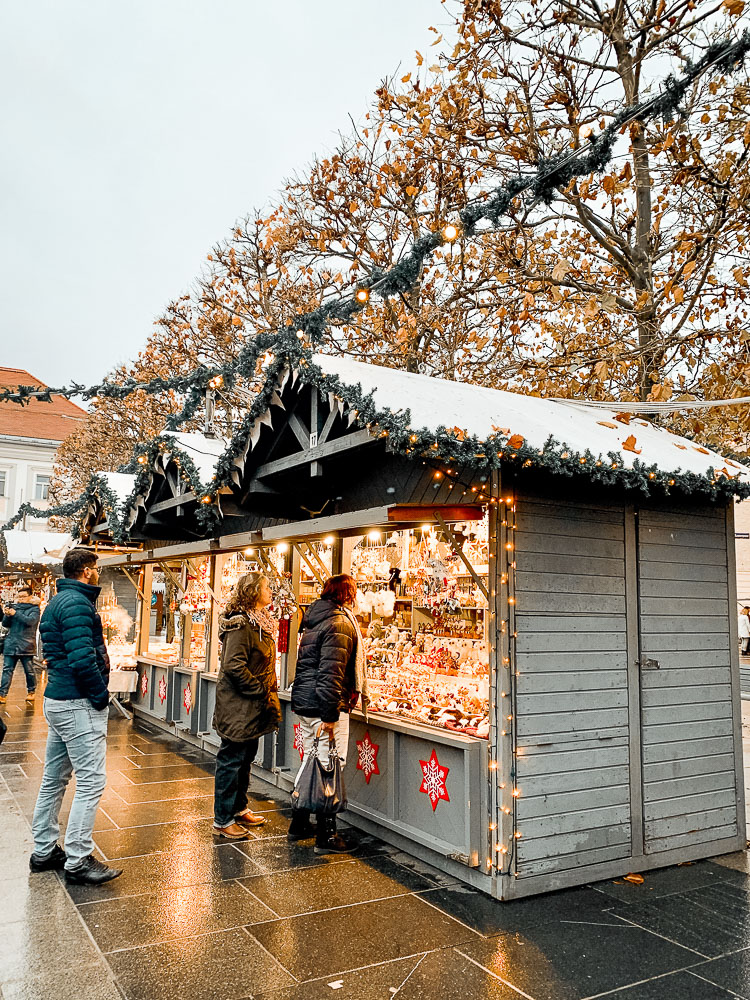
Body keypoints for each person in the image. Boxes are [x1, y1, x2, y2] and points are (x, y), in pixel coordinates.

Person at [30, 548, 122, 885]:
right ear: (86, 571)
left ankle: (43, 850)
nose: (98, 573)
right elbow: (84, 659)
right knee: (92, 781)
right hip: (77, 702)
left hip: (58, 698)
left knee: (54, 779)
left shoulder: (57, 601)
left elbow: (49, 651)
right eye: (96, 568)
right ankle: (77, 859)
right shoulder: (78, 605)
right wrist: (101, 698)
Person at [290, 573, 366, 855]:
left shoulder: (314, 619)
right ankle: (327, 835)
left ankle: (298, 822)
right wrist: (331, 716)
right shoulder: (340, 623)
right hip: (325, 706)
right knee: (329, 763)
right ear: (347, 594)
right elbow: (331, 674)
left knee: (311, 758)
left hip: (306, 702)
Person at [212, 572, 282, 840]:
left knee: (245, 758)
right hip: (239, 705)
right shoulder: (241, 625)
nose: (270, 592)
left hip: (252, 706)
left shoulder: (259, 622)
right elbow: (233, 666)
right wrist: (259, 690)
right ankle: (223, 819)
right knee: (231, 760)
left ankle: (239, 808)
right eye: (266, 588)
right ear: (253, 592)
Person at [0, 586, 41, 705]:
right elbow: (6, 624)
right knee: (7, 670)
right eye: (19, 597)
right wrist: (7, 615)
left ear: (30, 596)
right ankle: (2, 694)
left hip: (26, 644)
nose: (21, 599)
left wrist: (15, 613)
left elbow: (30, 622)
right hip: (11, 643)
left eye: (23, 597)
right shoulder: (14, 607)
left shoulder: (34, 609)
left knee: (29, 671)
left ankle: (31, 691)